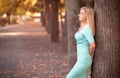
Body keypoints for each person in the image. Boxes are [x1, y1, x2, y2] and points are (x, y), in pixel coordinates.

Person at [66, 6, 96, 78]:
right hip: (80, 58)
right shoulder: (82, 27)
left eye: (81, 14)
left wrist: (89, 54)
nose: (79, 15)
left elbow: (93, 45)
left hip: (84, 60)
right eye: (80, 13)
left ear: (87, 16)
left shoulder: (87, 28)